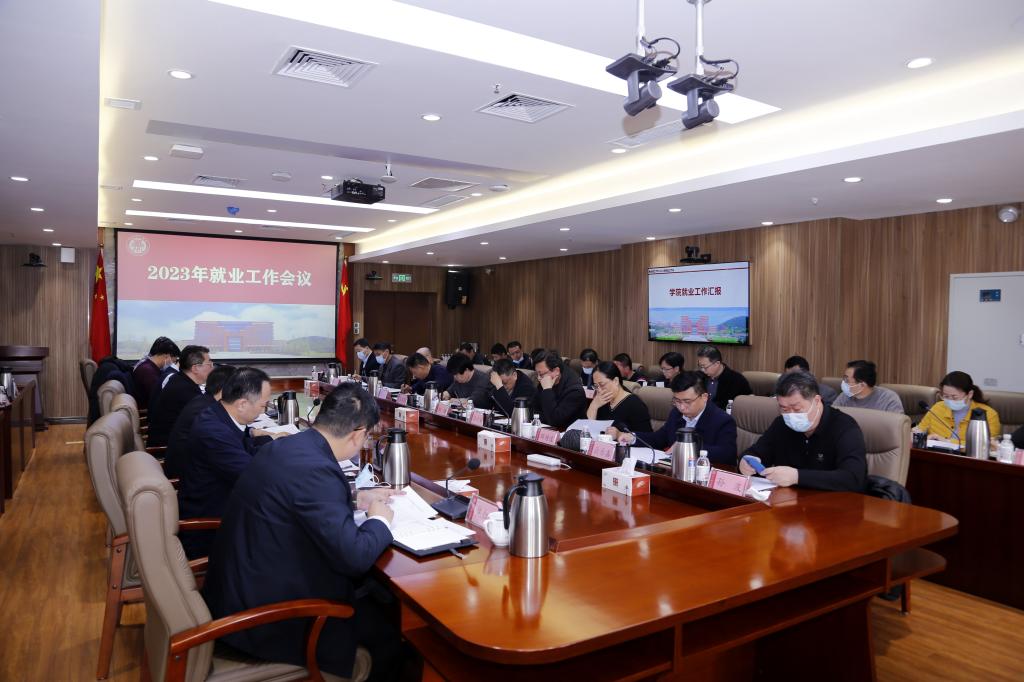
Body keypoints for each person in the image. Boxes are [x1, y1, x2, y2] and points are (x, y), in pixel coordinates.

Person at [203, 383, 404, 681]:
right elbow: (355, 558)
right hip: (266, 621)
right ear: (358, 434)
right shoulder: (316, 470)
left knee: (377, 598)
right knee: (391, 634)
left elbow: (295, 497)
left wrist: (354, 497)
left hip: (241, 589)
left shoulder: (288, 447)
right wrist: (379, 520)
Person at [178, 367, 277, 559]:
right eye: (263, 406)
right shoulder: (214, 431)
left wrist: (281, 447)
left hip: (225, 506)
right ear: (242, 404)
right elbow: (253, 477)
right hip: (212, 528)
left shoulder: (219, 415)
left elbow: (247, 449)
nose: (264, 410)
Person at [739, 371, 867, 492]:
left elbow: (854, 478)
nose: (790, 415)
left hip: (831, 503)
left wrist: (797, 477)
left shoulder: (844, 427)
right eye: (784, 409)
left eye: (797, 409)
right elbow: (756, 452)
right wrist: (746, 461)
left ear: (816, 401)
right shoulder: (781, 424)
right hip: (786, 500)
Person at [609, 371, 737, 465]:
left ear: (704, 397)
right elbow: (659, 438)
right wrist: (632, 438)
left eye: (687, 401)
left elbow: (727, 454)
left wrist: (689, 448)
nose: (682, 407)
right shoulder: (676, 413)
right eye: (677, 401)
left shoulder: (722, 420)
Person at [164, 364, 236, 479]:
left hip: (190, 465)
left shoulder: (204, 400)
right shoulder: (208, 411)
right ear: (225, 389)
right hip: (187, 474)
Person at [147, 345, 213, 447]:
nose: (212, 368)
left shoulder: (180, 380)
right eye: (209, 364)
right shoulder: (185, 390)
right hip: (165, 448)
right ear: (195, 368)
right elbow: (206, 424)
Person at [916, 371, 1001, 444]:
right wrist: (915, 434)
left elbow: (987, 445)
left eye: (954, 397)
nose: (949, 400)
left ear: (970, 394)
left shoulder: (988, 415)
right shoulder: (938, 407)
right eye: (946, 396)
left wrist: (947, 442)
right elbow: (920, 430)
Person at [585, 361, 652, 433]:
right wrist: (593, 406)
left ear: (616, 381)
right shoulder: (600, 400)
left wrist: (620, 434)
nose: (599, 390)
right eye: (596, 386)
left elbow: (645, 437)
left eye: (602, 385)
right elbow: (587, 431)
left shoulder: (635, 404)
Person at [533, 351, 587, 430]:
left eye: (541, 374)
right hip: (547, 429)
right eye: (537, 374)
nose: (539, 378)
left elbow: (555, 420)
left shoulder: (575, 391)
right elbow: (535, 410)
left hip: (569, 433)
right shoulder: (546, 379)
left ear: (556, 371)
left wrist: (547, 390)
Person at [830, 360, 903, 413]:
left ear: (862, 385)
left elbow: (897, 427)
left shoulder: (888, 399)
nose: (843, 383)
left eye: (847, 380)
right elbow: (831, 418)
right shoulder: (844, 397)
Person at [696, 345, 752, 410]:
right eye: (700, 366)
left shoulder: (737, 380)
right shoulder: (699, 377)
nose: (702, 370)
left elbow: (749, 404)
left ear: (717, 364)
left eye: (704, 367)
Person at [132, 336, 180, 408]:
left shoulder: (148, 365)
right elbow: (160, 397)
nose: (173, 364)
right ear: (167, 356)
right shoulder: (148, 372)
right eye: (174, 361)